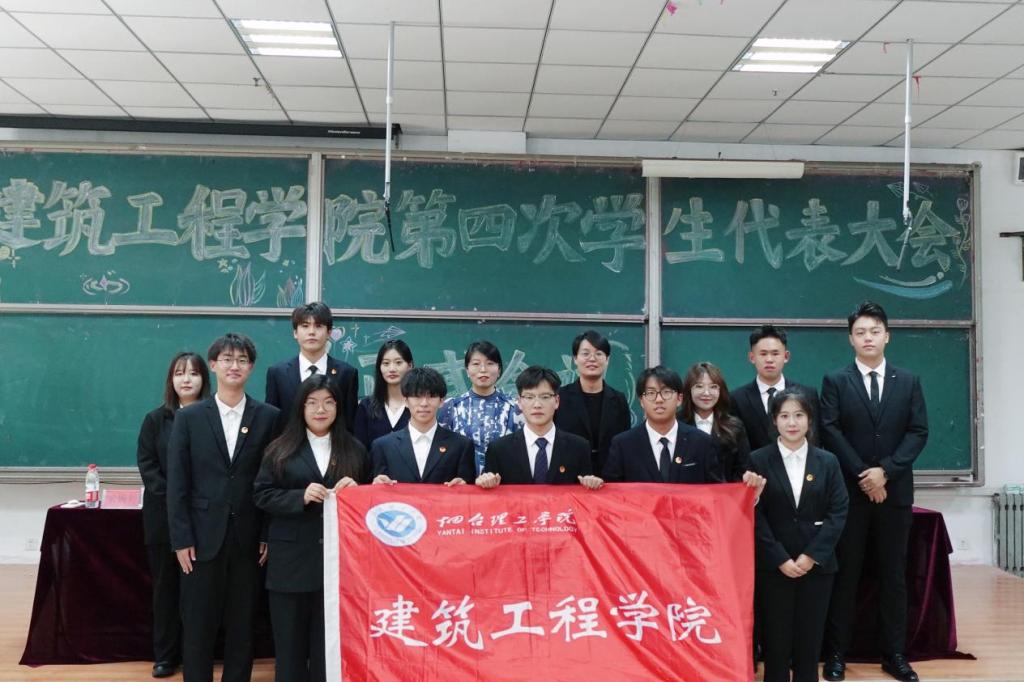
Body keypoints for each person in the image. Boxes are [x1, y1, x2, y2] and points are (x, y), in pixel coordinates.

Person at [821, 302, 928, 682]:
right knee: (845, 575)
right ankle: (836, 654)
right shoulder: (836, 380)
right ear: (850, 339)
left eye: (875, 331)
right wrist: (865, 476)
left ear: (887, 336)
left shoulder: (908, 380)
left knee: (893, 577)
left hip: (894, 494)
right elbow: (830, 430)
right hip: (850, 496)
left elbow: (918, 432)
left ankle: (894, 655)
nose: (868, 338)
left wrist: (886, 472)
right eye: (860, 332)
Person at [167, 333, 280, 682]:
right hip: (200, 539)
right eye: (227, 359)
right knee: (198, 624)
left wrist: (266, 533)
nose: (235, 366)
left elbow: (273, 481)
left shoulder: (269, 417)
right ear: (213, 365)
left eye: (242, 360)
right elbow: (177, 483)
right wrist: (181, 538)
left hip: (249, 538)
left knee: (242, 625)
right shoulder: (189, 417)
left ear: (252, 367)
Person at [254, 374, 367, 682]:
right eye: (313, 402)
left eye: (329, 402)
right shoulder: (280, 449)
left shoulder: (355, 450)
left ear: (339, 408)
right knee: (289, 650)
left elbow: (370, 502)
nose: (321, 410)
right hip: (290, 564)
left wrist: (357, 491)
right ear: (300, 408)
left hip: (338, 567)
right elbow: (261, 494)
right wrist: (298, 497)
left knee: (327, 650)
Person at [750, 387, 848, 682]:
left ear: (810, 419)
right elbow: (754, 515)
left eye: (799, 415)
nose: (792, 423)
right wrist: (779, 558)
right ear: (774, 420)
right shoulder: (758, 460)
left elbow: (838, 512)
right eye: (784, 416)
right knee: (775, 644)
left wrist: (811, 556)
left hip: (816, 568)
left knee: (809, 643)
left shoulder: (828, 461)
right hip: (773, 567)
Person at [137, 352, 210, 679]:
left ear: (204, 379)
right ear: (171, 380)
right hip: (163, 520)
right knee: (165, 590)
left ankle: (199, 652)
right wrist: (176, 498)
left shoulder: (212, 418)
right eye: (180, 373)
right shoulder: (155, 420)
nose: (186, 379)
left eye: (193, 373)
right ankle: (165, 656)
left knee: (198, 594)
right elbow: (148, 465)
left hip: (203, 519)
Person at [603, 366, 764, 495]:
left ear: (679, 399)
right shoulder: (623, 444)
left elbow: (716, 493)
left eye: (666, 392)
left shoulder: (701, 442)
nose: (659, 399)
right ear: (641, 401)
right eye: (651, 393)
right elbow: (611, 496)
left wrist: (749, 493)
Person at [476, 366, 603, 490]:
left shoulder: (578, 447)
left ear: (557, 401)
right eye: (529, 397)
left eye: (545, 397)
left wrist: (592, 483)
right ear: (519, 402)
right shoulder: (499, 450)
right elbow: (491, 496)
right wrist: (484, 482)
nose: (537, 404)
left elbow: (585, 495)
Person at [371, 367, 475, 485]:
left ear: (441, 401)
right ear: (405, 401)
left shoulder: (461, 445)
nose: (424, 403)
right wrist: (377, 485)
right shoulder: (383, 446)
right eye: (417, 396)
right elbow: (377, 492)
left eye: (431, 396)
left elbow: (469, 490)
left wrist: (463, 485)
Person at [265, 302, 358, 432]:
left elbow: (349, 422)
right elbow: (272, 423)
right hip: (289, 444)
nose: (311, 332)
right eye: (305, 326)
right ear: (295, 333)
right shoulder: (278, 373)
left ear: (329, 332)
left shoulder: (346, 373)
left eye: (318, 326)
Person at [553, 330, 632, 475]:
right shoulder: (560, 397)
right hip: (570, 476)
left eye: (598, 354)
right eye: (585, 353)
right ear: (575, 359)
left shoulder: (619, 399)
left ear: (607, 359)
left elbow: (625, 442)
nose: (592, 359)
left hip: (610, 476)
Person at [438, 340, 522, 475]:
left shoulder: (515, 407)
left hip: (504, 481)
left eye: (490, 363)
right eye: (476, 364)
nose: (483, 369)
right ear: (467, 370)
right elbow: (443, 450)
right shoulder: (451, 406)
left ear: (499, 370)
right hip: (461, 481)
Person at [731, 324, 821, 450]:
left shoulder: (807, 394)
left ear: (786, 356)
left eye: (775, 353)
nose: (769, 359)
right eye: (763, 354)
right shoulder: (737, 398)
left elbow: (815, 440)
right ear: (752, 357)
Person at [679, 361, 752, 482]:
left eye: (713, 387)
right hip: (686, 493)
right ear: (688, 390)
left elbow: (743, 469)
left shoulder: (734, 426)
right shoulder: (676, 424)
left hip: (725, 493)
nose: (706, 393)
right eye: (699, 386)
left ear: (720, 391)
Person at [353, 339, 412, 451]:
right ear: (379, 367)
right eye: (386, 363)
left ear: (409, 365)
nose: (392, 369)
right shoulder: (366, 406)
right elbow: (359, 451)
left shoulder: (419, 406)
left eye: (398, 362)